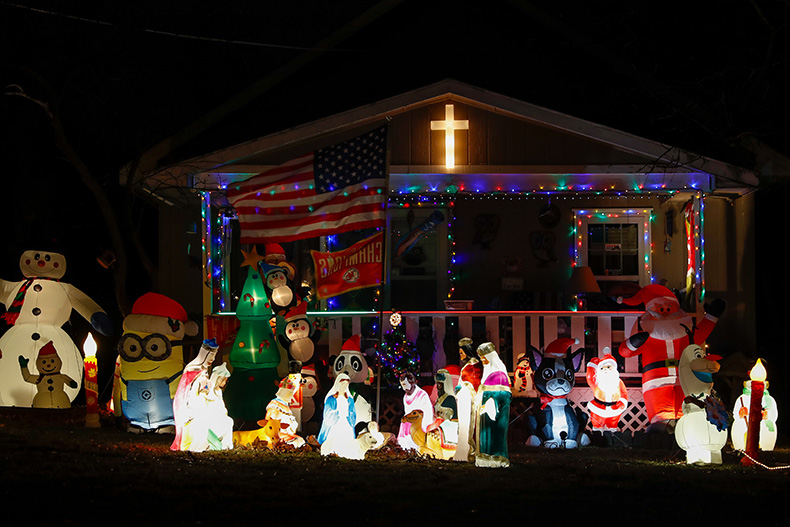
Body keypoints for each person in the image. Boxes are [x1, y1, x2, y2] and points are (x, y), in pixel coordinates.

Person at [170, 339, 219, 451]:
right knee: (196, 423)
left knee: (203, 423)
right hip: (193, 401)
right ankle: (193, 444)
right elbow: (187, 389)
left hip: (202, 400)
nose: (213, 359)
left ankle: (201, 443)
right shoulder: (192, 369)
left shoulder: (203, 371)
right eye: (211, 355)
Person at [475, 342, 511, 468]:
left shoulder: (499, 375)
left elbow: (501, 395)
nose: (482, 361)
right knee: (486, 435)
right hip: (486, 413)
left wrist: (490, 403)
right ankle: (485, 457)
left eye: (483, 358)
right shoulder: (488, 373)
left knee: (495, 436)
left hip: (494, 413)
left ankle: (497, 457)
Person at [454, 337, 482, 461]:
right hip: (464, 399)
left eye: (461, 352)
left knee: (468, 426)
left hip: (468, 401)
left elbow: (473, 384)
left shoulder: (473, 367)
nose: (460, 356)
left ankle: (468, 450)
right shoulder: (469, 366)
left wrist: (463, 388)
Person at [318, 373, 357, 458]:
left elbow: (353, 413)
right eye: (342, 384)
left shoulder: (349, 400)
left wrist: (348, 414)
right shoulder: (331, 399)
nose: (344, 386)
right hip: (335, 424)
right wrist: (337, 412)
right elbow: (327, 413)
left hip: (346, 423)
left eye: (346, 384)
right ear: (338, 384)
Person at [397, 371, 434, 451]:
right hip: (407, 426)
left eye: (405, 384)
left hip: (418, 426)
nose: (404, 388)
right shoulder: (405, 396)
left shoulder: (422, 395)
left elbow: (427, 413)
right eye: (402, 385)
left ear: (412, 383)